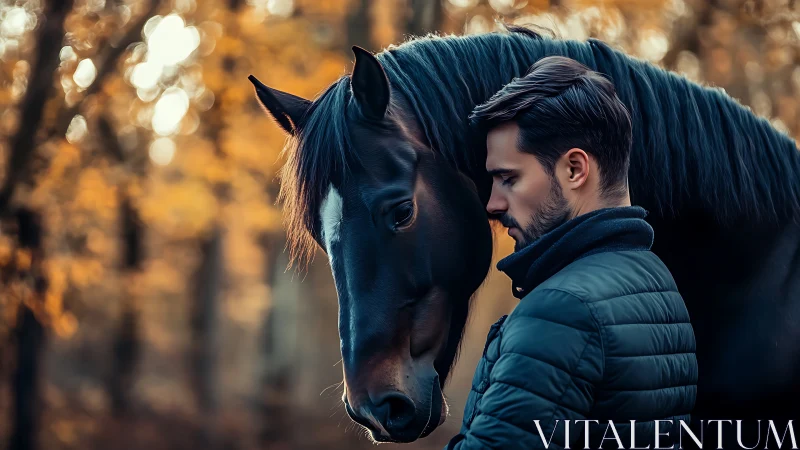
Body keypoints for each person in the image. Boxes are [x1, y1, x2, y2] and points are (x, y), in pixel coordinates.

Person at [445, 56, 698, 450]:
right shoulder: (657, 282)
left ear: (575, 170)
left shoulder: (562, 308)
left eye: (509, 178)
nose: (492, 204)